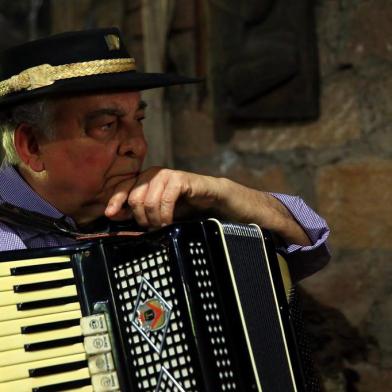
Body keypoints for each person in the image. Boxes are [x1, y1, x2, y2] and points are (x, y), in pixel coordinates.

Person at [0, 27, 330, 281]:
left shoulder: (155, 213)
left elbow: (308, 246)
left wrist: (224, 194)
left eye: (138, 120)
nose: (138, 146)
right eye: (107, 126)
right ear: (32, 146)